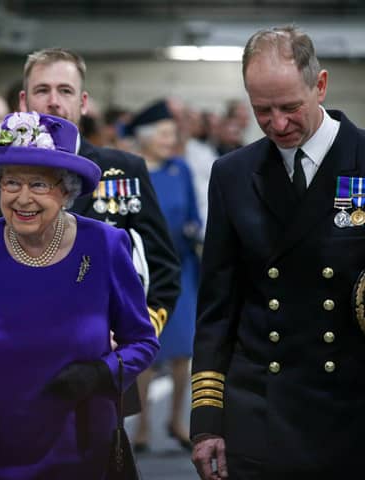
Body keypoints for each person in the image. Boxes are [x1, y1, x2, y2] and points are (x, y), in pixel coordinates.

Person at [0, 111, 159, 479]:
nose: (22, 198)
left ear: (65, 192)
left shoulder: (106, 244)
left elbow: (142, 341)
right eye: (11, 182)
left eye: (39, 185)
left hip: (83, 448)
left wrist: (102, 373)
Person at [190, 25, 365, 479]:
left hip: (351, 413)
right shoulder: (232, 175)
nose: (278, 124)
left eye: (290, 107)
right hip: (260, 414)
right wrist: (206, 424)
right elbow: (216, 310)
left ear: (320, 85)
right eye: (261, 110)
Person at [0, 47, 180, 354]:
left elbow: (162, 268)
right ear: (23, 101)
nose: (53, 101)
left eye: (65, 90)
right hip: (9, 354)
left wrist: (134, 335)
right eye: (42, 90)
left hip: (103, 360)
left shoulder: (124, 170)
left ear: (83, 102)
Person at [128, 100, 201, 454]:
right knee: (145, 351)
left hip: (182, 267)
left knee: (183, 350)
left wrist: (195, 231)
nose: (170, 140)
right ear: (144, 137)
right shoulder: (132, 171)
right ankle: (140, 424)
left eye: (172, 134)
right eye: (163, 134)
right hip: (144, 271)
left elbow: (192, 214)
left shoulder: (180, 170)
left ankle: (176, 420)